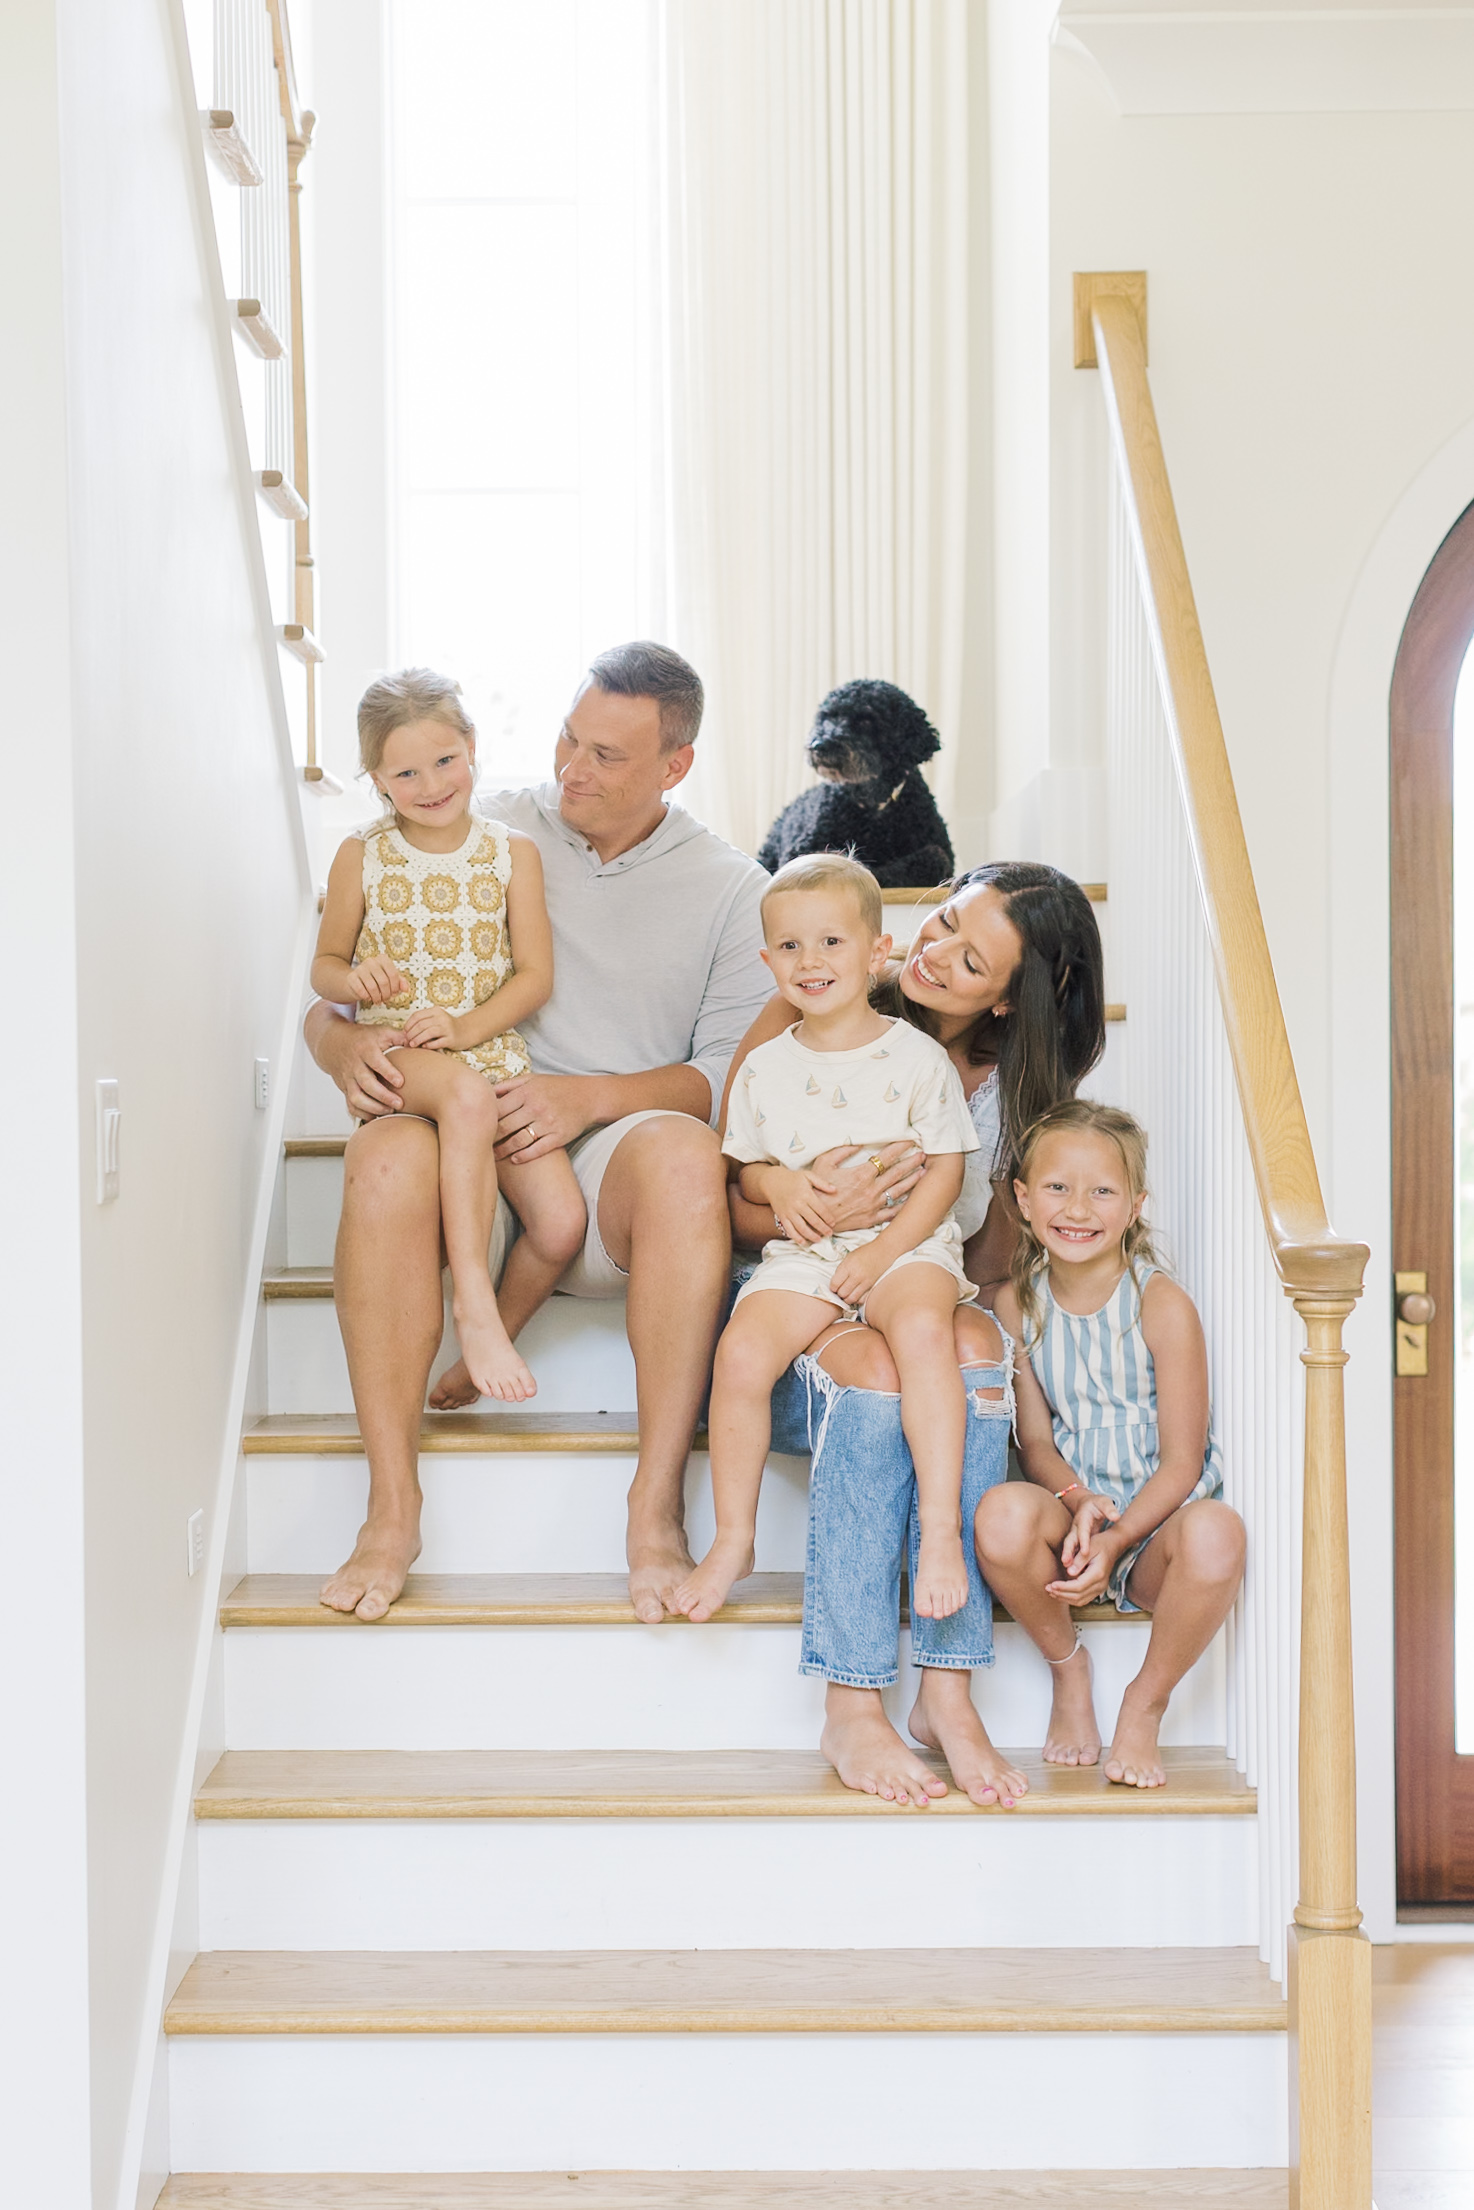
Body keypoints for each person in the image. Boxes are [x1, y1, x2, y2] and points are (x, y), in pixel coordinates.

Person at [304, 642, 772, 1622]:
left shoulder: (733, 889)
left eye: (605, 754)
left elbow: (734, 1079)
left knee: (690, 1158)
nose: (571, 768)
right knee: (385, 1153)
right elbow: (333, 983)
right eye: (567, 736)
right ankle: (391, 1510)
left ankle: (654, 1512)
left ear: (673, 765)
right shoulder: (477, 821)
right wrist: (335, 1046)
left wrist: (589, 1097)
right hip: (463, 1152)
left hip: (604, 1176)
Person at [724, 862, 1106, 1807]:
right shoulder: (814, 1000)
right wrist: (791, 1199)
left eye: (969, 958)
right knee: (884, 1374)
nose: (932, 955)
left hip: (912, 1298)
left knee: (970, 1354)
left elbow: (991, 1272)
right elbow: (729, 1199)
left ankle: (948, 1691)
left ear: (1011, 1002)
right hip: (802, 1300)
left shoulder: (1011, 1104)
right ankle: (853, 1704)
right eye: (938, 923)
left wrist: (1050, 1449)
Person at [674, 855, 981, 1629]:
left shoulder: (918, 1059)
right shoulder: (764, 1069)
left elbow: (944, 1175)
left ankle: (940, 1528)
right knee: (741, 1354)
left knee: (920, 1331)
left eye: (832, 943)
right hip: (804, 1255)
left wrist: (880, 1256)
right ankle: (733, 1540)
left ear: (879, 953)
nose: (810, 962)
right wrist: (777, 1186)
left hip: (907, 1245)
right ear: (767, 959)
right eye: (790, 947)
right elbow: (742, 1174)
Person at [310, 670, 586, 1404]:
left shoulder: (510, 852)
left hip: (488, 1052)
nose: (430, 784)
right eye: (405, 772)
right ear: (377, 779)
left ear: (471, 746)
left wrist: (465, 1026)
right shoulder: (360, 855)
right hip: (407, 1060)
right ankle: (473, 1302)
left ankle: (482, 1352)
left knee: (560, 1224)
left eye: (444, 761)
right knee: (463, 1095)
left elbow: (533, 977)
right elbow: (325, 968)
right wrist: (355, 978)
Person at [981, 1100, 1246, 1789]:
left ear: (1134, 1206)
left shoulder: (1161, 1303)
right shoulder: (1015, 1304)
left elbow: (1183, 1462)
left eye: (1102, 1190)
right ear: (1023, 1199)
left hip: (1153, 1530)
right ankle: (1070, 1672)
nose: (1077, 1208)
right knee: (1000, 1516)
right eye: (1057, 1188)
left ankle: (1144, 1702)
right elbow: (1034, 1439)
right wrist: (1079, 1504)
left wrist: (1119, 1536)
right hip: (1075, 1517)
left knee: (1219, 1534)